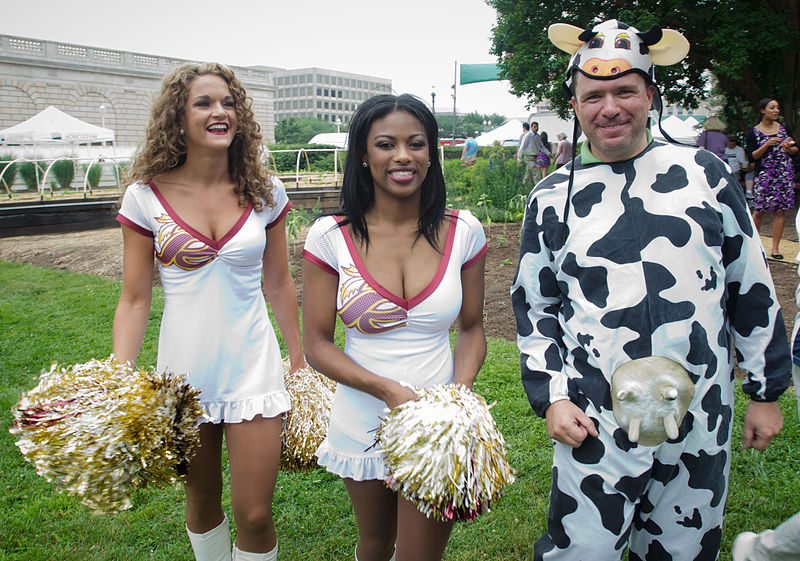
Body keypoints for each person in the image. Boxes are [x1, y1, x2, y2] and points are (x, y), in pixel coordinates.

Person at [514, 19, 791, 560]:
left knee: (683, 550)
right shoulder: (551, 198)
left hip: (700, 412)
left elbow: (750, 286)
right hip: (595, 417)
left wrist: (766, 392)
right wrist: (552, 396)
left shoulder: (704, 174)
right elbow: (536, 307)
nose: (609, 108)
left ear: (650, 96)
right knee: (582, 551)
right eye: (593, 95)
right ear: (575, 105)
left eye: (625, 91)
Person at [113, 62, 304, 561]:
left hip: (252, 367)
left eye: (228, 103)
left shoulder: (266, 191)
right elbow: (135, 297)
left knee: (256, 513)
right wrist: (118, 374)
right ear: (178, 118)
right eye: (204, 103)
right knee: (201, 500)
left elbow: (279, 282)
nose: (220, 112)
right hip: (183, 374)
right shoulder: (145, 196)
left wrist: (300, 361)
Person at [302, 94, 487, 561]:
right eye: (386, 144)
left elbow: (471, 330)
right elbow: (317, 344)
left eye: (416, 144)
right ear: (364, 154)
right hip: (361, 416)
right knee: (375, 543)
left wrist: (455, 398)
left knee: (419, 555)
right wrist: (385, 390)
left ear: (431, 154)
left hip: (437, 425)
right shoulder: (330, 235)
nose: (403, 156)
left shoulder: (464, 230)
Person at [745, 98, 799, 260]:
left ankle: (775, 249)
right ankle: (752, 245)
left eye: (778, 108)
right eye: (772, 108)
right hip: (765, 175)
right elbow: (752, 157)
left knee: (780, 210)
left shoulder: (784, 128)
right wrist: (767, 144)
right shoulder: (753, 132)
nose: (776, 111)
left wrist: (789, 148)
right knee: (760, 210)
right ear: (763, 110)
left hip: (783, 173)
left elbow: (795, 148)